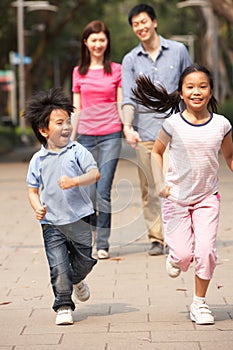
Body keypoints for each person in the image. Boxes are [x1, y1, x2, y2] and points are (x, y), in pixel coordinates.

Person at [132, 63, 233, 324]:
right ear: (181, 92)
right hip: (175, 199)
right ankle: (176, 258)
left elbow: (230, 157)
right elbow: (156, 151)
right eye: (190, 87)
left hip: (207, 198)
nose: (196, 91)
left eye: (202, 86)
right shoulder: (173, 124)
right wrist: (158, 183)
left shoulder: (221, 125)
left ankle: (199, 304)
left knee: (207, 251)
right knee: (183, 255)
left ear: (211, 92)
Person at [24, 87, 100, 326]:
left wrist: (75, 181)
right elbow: (32, 190)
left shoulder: (77, 151)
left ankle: (77, 280)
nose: (66, 127)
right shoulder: (38, 159)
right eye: (60, 122)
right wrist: (37, 207)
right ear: (44, 130)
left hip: (80, 218)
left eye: (68, 121)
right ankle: (64, 304)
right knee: (58, 265)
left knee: (85, 260)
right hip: (52, 223)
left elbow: (95, 173)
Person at [122, 3, 192, 255]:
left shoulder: (178, 50)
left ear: (154, 22)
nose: (140, 27)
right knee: (150, 187)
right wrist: (128, 126)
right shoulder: (130, 59)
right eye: (135, 24)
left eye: (144, 22)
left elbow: (190, 85)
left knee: (180, 184)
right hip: (146, 132)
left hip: (177, 132)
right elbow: (128, 97)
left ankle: (180, 234)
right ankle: (156, 238)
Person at [71, 20, 122, 260]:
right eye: (94, 40)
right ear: (86, 43)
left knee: (103, 191)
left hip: (111, 134)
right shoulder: (78, 72)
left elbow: (121, 103)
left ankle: (102, 243)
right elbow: (76, 109)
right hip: (85, 139)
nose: (98, 44)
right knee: (87, 193)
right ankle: (87, 239)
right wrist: (69, 140)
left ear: (107, 42)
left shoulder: (116, 70)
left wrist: (128, 128)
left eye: (102, 39)